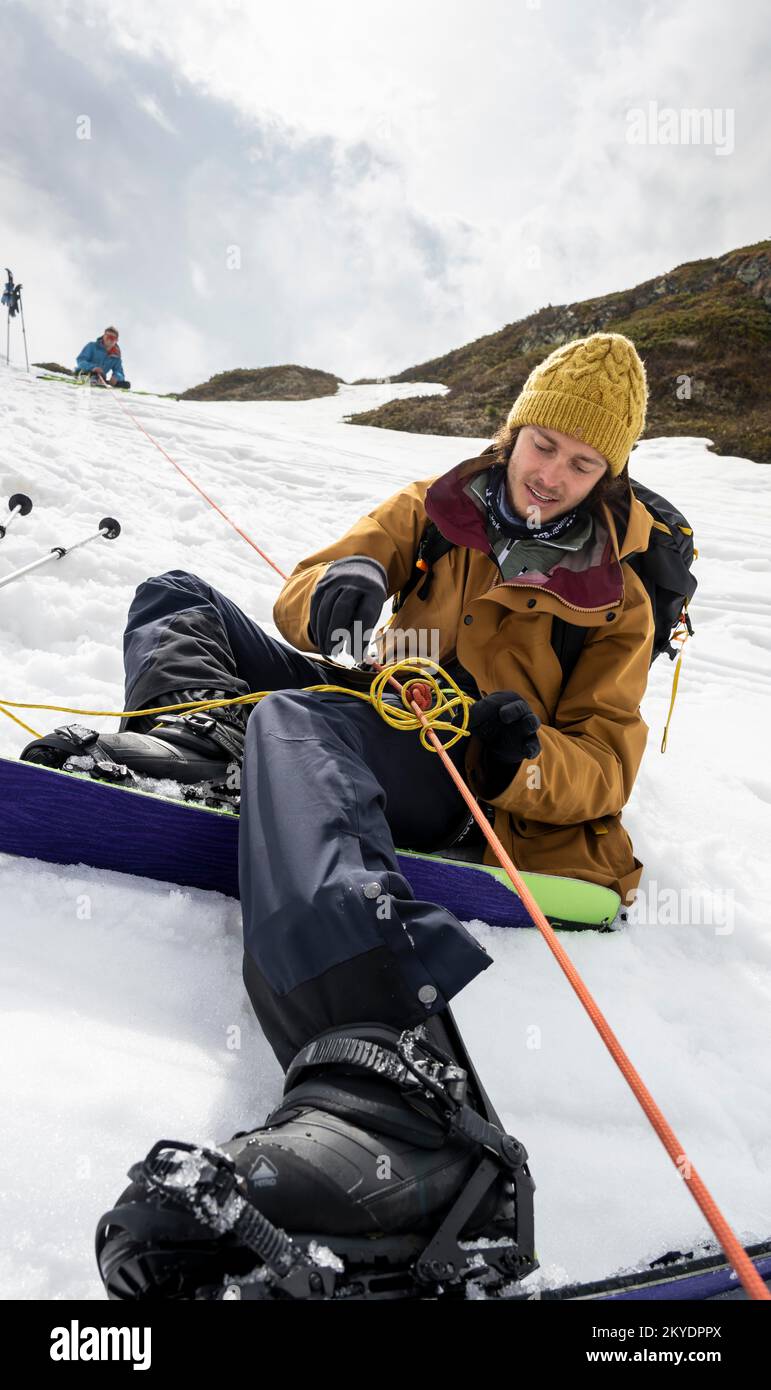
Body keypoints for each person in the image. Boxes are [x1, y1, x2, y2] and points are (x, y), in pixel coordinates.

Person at [23, 332, 655, 1300]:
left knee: (302, 718)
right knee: (181, 598)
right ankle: (209, 750)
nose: (554, 474)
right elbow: (311, 584)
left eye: (583, 461)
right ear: (514, 429)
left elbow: (606, 765)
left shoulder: (621, 595)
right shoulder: (440, 509)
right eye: (545, 444)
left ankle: (392, 1099)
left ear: (609, 474)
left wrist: (523, 758)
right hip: (371, 712)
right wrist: (338, 598)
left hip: (467, 770)